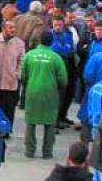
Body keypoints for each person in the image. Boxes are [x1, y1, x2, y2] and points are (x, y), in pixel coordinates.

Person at [21, 31, 68, 159]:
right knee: (50, 122)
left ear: (39, 40)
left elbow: (22, 75)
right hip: (50, 92)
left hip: (32, 91)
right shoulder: (56, 58)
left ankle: (30, 150)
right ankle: (47, 151)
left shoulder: (29, 55)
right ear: (52, 41)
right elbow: (63, 79)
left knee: (30, 122)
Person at [0, 20, 25, 127]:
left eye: (14, 27)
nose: (13, 30)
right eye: (10, 28)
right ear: (3, 29)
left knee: (9, 109)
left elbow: (22, 60)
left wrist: (17, 74)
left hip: (10, 83)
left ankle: (6, 129)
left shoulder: (19, 44)